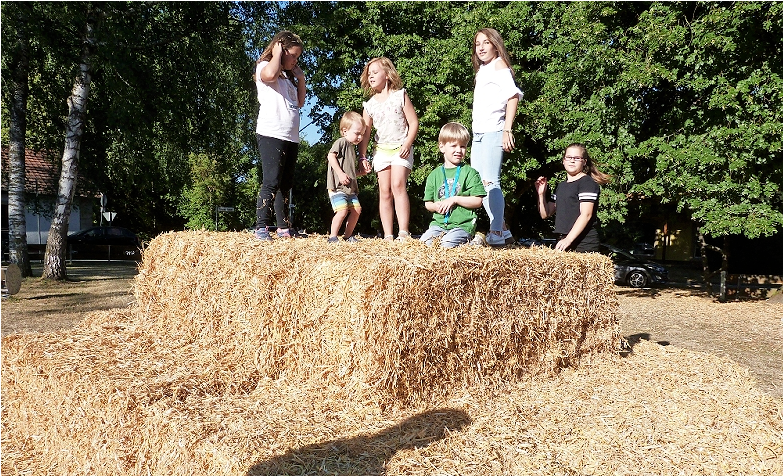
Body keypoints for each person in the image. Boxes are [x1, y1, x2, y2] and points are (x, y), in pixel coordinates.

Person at [470, 28, 523, 247]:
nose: (481, 47)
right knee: (479, 185)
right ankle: (504, 229)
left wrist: (507, 129)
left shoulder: (499, 65)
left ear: (495, 45)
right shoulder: (482, 70)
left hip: (493, 130)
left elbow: (513, 96)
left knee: (491, 181)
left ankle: (496, 231)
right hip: (479, 133)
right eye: (477, 44)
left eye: (485, 43)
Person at [252, 31, 306, 241]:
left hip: (291, 137)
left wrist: (300, 78)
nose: (295, 60)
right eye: (292, 55)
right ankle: (261, 227)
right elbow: (269, 75)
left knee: (286, 184)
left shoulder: (289, 78)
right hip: (271, 133)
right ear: (280, 50)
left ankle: (283, 227)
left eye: (298, 57)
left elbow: (300, 102)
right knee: (271, 181)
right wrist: (275, 54)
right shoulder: (265, 69)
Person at [358, 57, 419, 241]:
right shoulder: (369, 105)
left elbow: (414, 122)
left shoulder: (400, 96)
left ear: (387, 74)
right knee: (384, 191)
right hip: (382, 151)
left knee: (398, 185)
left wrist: (407, 144)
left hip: (401, 147)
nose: (371, 77)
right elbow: (366, 134)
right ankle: (388, 235)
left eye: (375, 72)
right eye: (369, 74)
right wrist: (362, 157)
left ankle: (403, 232)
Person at [420, 123, 486, 248]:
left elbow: (478, 201)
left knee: (447, 244)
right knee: (424, 244)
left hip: (462, 225)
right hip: (438, 225)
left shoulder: (470, 173)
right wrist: (436, 206)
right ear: (442, 147)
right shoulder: (434, 175)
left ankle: (475, 241)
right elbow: (428, 203)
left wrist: (454, 199)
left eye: (463, 146)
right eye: (454, 146)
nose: (459, 150)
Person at [535, 143, 611, 252]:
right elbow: (545, 214)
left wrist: (568, 239)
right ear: (563, 160)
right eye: (569, 157)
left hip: (584, 243)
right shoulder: (561, 185)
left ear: (584, 162)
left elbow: (586, 214)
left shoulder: (587, 183)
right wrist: (541, 194)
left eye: (577, 158)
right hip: (563, 241)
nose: (572, 161)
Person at [326, 111, 370, 243]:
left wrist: (361, 173)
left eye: (362, 134)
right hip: (337, 187)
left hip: (349, 188)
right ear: (345, 131)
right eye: (357, 133)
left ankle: (347, 236)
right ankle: (332, 236)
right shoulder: (341, 142)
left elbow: (350, 173)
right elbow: (330, 156)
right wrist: (340, 173)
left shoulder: (351, 148)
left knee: (357, 210)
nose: (360, 137)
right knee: (342, 211)